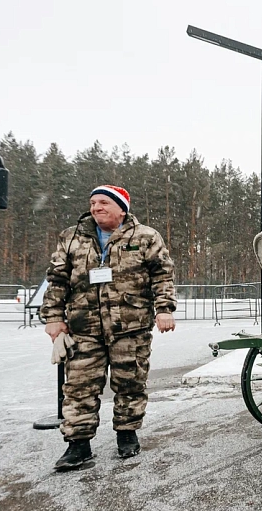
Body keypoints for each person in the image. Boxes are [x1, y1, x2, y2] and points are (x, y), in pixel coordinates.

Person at [40, 185, 177, 471]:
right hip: (83, 326)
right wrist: (53, 317)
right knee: (79, 387)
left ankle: (127, 433)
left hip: (131, 326)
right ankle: (78, 445)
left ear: (122, 208)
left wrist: (164, 309)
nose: (96, 207)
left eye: (103, 202)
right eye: (92, 202)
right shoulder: (72, 237)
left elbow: (162, 276)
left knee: (130, 382)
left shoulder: (146, 237)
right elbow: (56, 280)